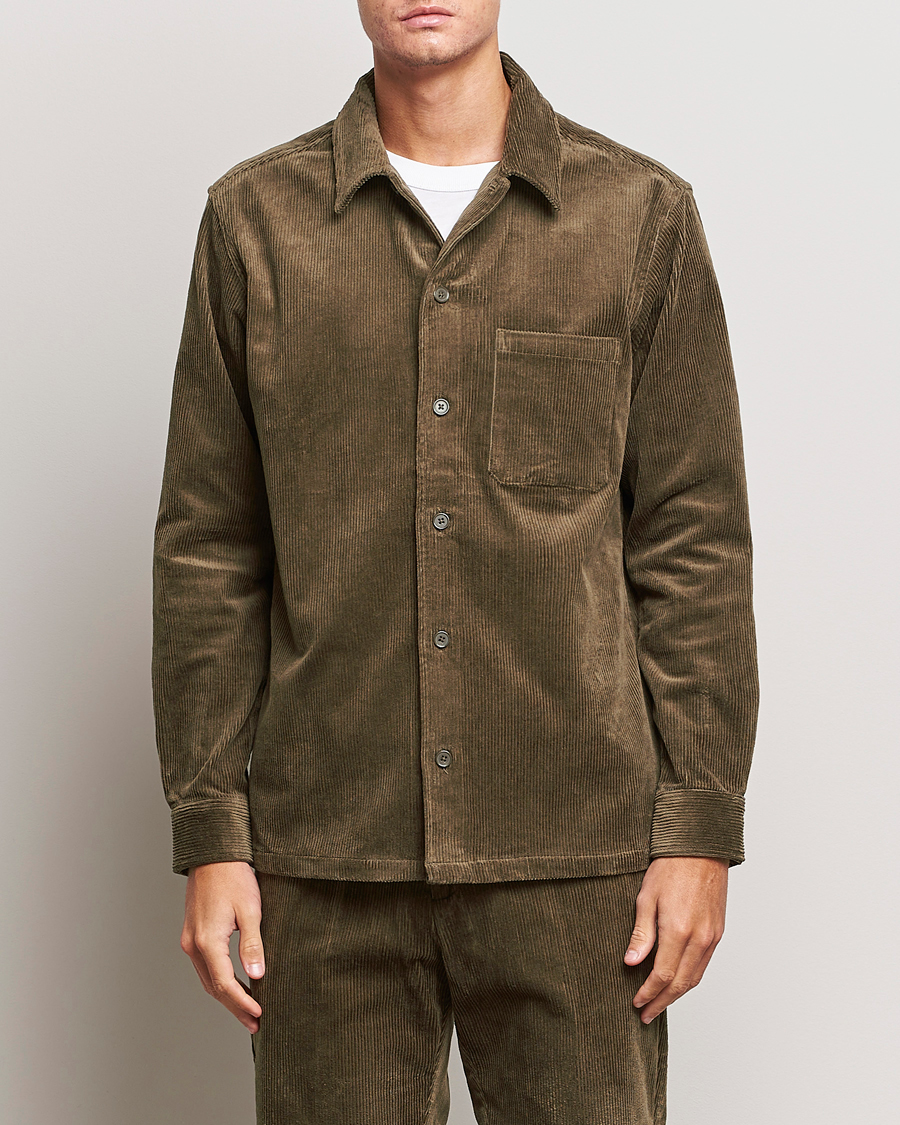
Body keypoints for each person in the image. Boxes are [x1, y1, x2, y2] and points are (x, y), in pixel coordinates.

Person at [151, 2, 760, 1122]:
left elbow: (694, 539)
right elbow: (211, 548)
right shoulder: (254, 223)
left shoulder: (638, 218)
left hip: (579, 857)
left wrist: (700, 827)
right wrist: (212, 833)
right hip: (327, 854)